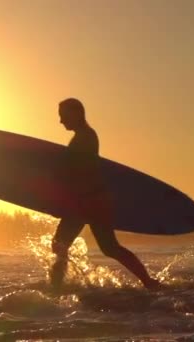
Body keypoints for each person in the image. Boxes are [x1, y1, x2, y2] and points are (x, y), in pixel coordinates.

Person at [50, 98, 161, 290]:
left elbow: (81, 173)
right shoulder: (86, 136)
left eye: (63, 116)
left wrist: (63, 201)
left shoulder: (85, 137)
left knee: (62, 245)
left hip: (87, 200)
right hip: (93, 199)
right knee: (100, 247)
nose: (61, 121)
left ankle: (57, 288)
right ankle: (148, 282)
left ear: (76, 113)